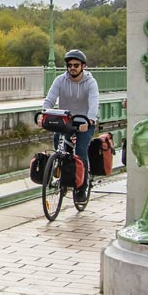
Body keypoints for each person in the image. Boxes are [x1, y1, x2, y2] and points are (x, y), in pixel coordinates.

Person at [36, 49, 101, 203]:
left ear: (83, 66)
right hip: (66, 121)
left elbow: (94, 103)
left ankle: (81, 189)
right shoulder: (60, 80)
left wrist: (90, 120)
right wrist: (42, 114)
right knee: (60, 148)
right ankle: (64, 176)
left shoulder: (90, 82)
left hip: (84, 122)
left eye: (76, 65)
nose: (72, 68)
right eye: (69, 65)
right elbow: (50, 99)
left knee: (80, 151)